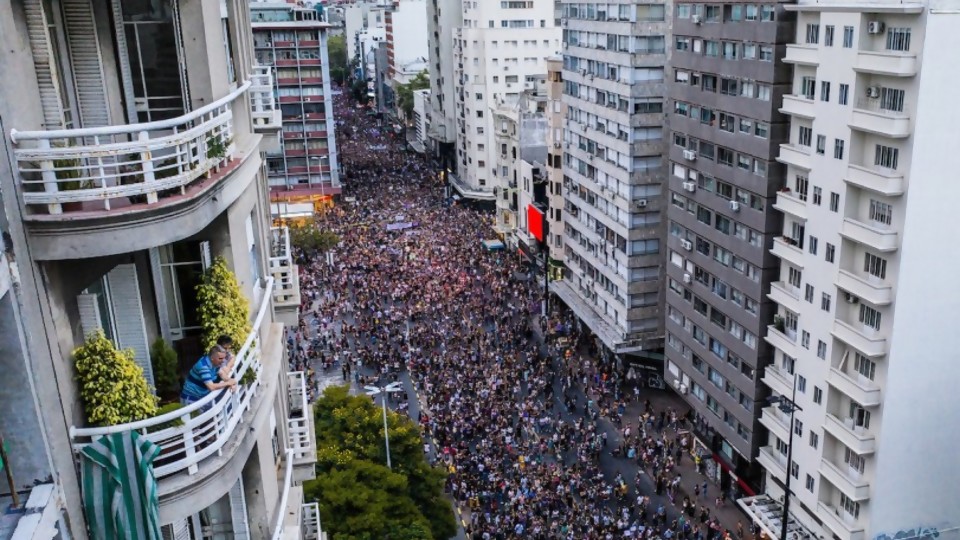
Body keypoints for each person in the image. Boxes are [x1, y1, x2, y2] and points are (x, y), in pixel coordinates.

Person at [180, 344, 237, 408]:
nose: (223, 361)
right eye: (220, 358)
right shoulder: (203, 366)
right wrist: (228, 383)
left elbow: (223, 375)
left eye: (224, 358)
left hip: (202, 397)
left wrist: (231, 383)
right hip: (191, 399)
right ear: (212, 357)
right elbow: (211, 387)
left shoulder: (215, 363)